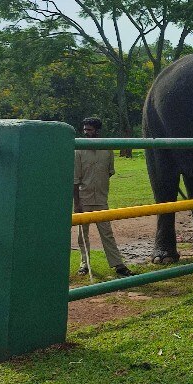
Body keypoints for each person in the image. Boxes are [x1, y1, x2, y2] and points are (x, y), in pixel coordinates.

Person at [73, 117, 134, 277]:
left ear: (97, 131)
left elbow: (109, 173)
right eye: (85, 129)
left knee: (107, 233)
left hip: (101, 199)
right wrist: (77, 203)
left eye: (90, 130)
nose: (86, 133)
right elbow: (75, 180)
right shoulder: (78, 150)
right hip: (83, 198)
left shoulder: (107, 150)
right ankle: (84, 264)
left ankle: (118, 265)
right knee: (82, 235)